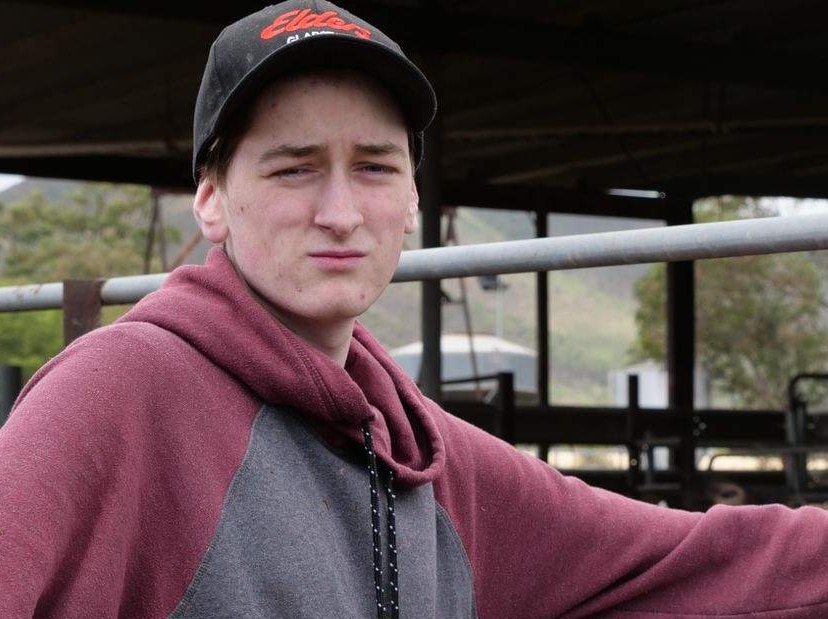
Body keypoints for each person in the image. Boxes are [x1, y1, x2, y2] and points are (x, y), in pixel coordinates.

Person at [2, 1, 828, 617]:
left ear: (410, 203)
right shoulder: (118, 392)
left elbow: (693, 559)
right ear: (211, 200)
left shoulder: (422, 451)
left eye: (373, 167)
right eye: (293, 168)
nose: (339, 210)